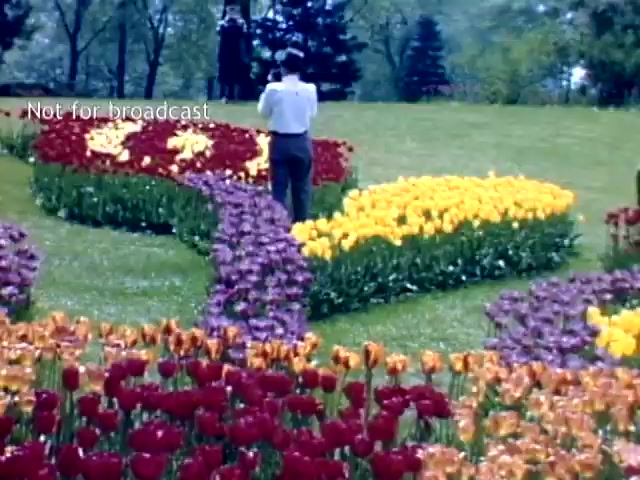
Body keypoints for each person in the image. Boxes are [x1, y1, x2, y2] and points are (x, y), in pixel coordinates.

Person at [258, 48, 318, 223]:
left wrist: (268, 85)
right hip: (301, 140)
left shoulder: (273, 89)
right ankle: (301, 225)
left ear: (282, 68)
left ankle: (277, 228)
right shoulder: (310, 89)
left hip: (281, 141)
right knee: (302, 190)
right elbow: (312, 113)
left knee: (279, 189)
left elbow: (263, 112)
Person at [217, 4, 250, 102]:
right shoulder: (222, 23)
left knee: (238, 75)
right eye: (230, 10)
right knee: (225, 74)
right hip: (225, 52)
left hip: (237, 52)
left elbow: (245, 36)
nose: (232, 12)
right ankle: (225, 96)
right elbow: (218, 33)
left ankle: (236, 96)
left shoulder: (241, 23)